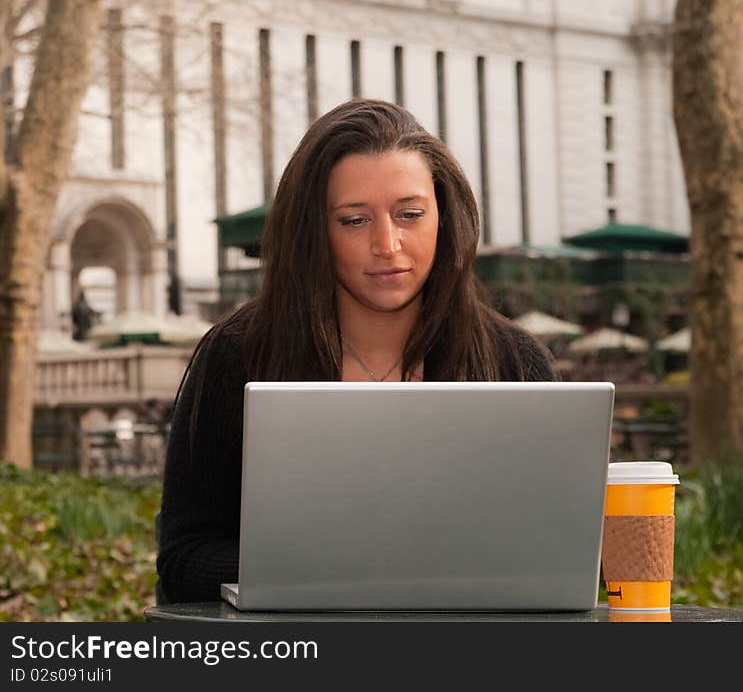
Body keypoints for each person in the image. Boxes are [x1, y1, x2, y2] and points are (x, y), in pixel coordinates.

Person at [157, 99, 557, 602]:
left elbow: (554, 552)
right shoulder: (238, 354)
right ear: (313, 232)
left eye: (409, 214)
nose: (387, 244)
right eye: (353, 220)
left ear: (445, 217)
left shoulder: (515, 362)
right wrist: (347, 559)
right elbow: (182, 560)